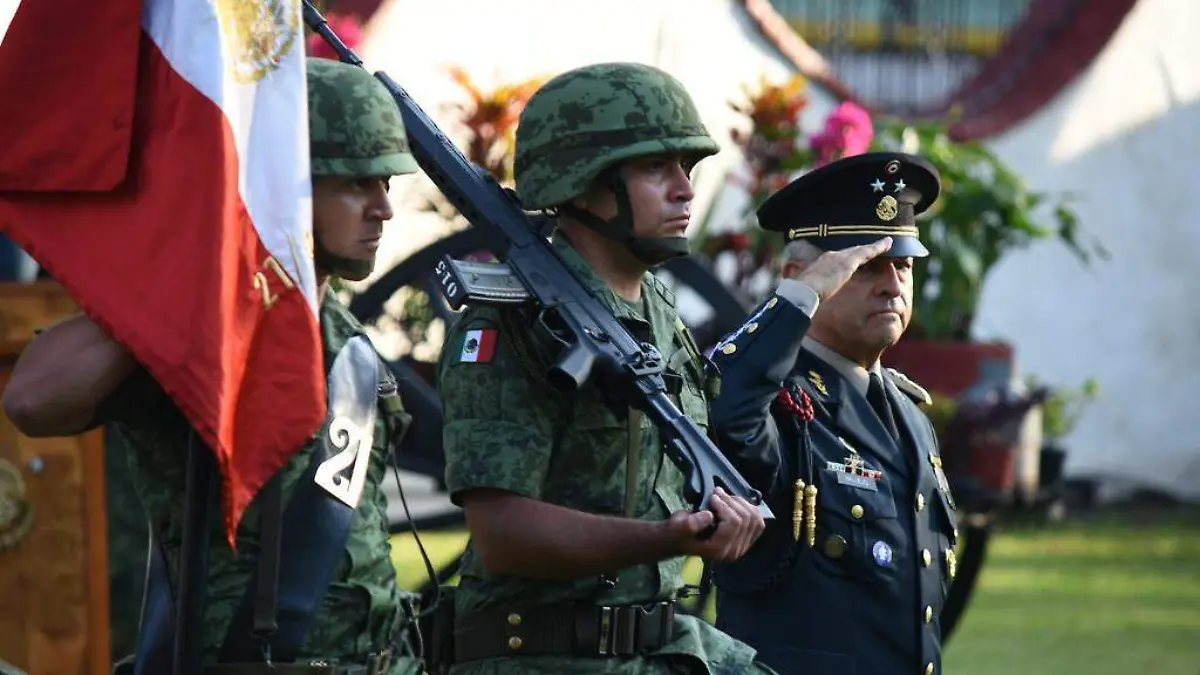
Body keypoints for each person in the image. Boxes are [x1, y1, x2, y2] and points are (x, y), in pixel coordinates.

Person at [1, 58, 428, 675]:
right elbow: (33, 399)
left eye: (385, 181)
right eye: (357, 183)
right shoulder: (198, 318)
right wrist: (187, 289)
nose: (383, 208)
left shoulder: (341, 329)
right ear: (286, 183)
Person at [435, 62, 776, 675]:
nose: (685, 190)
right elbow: (501, 532)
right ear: (583, 182)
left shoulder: (660, 310)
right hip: (541, 660)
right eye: (655, 168)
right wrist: (666, 537)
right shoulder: (510, 322)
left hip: (656, 650)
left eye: (687, 169)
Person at [707, 152, 959, 675]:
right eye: (865, 266)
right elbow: (723, 408)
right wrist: (796, 301)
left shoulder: (911, 417)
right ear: (801, 275)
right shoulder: (771, 399)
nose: (892, 284)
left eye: (904, 265)